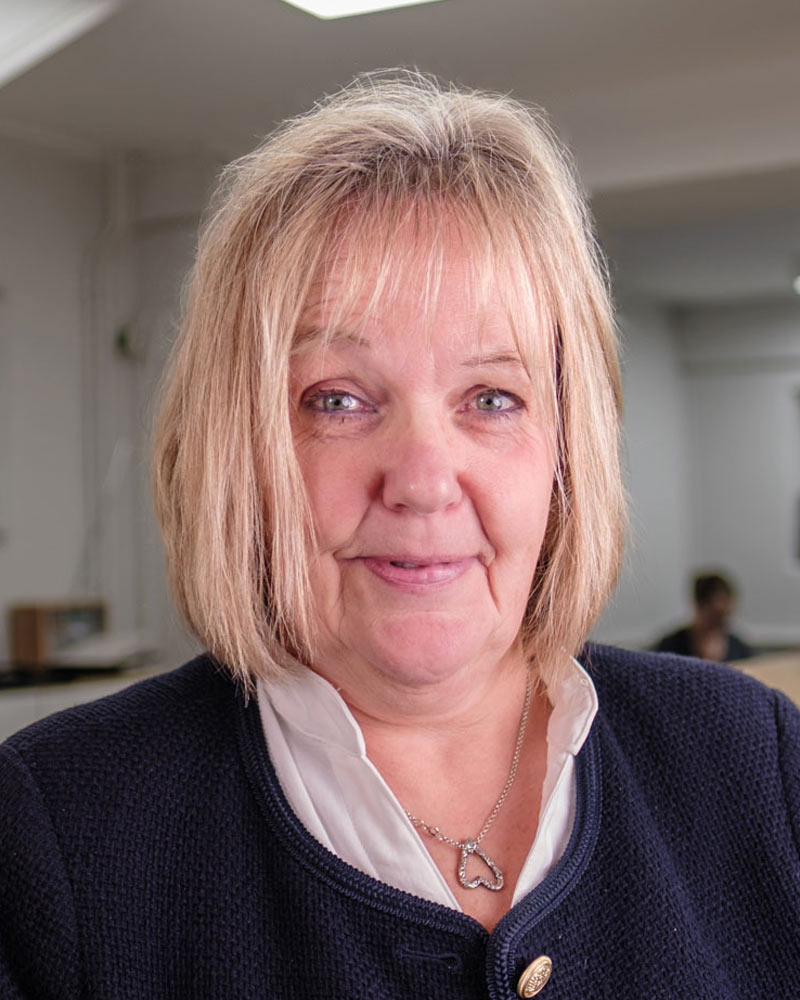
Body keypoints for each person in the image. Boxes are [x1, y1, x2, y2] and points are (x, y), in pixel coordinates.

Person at [1, 72, 798, 1000]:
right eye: (337, 400)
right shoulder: (51, 829)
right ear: (238, 449)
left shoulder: (757, 762)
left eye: (492, 397)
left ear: (566, 449)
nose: (423, 480)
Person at [654, 571, 753, 662]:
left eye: (726, 614)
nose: (720, 622)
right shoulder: (671, 647)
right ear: (699, 606)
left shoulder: (739, 648)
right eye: (715, 615)